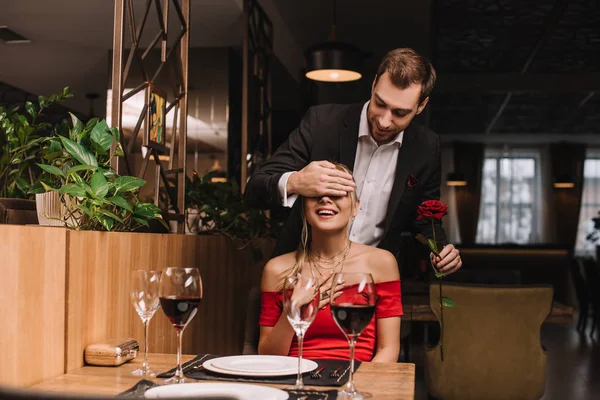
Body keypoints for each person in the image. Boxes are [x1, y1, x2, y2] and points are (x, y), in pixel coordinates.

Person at [244, 47, 462, 275]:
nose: (385, 121)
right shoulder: (322, 123)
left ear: (421, 106)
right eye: (380, 103)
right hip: (301, 273)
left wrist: (440, 250)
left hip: (371, 279)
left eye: (400, 113)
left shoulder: (426, 147)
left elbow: (425, 217)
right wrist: (297, 182)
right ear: (374, 84)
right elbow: (254, 189)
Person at [258, 163, 402, 362]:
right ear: (304, 207)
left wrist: (355, 387)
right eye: (316, 194)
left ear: (355, 206)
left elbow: (388, 350)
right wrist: (292, 310)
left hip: (357, 382)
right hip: (295, 381)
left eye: (337, 193)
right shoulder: (276, 269)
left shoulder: (381, 263)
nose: (325, 199)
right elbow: (267, 357)